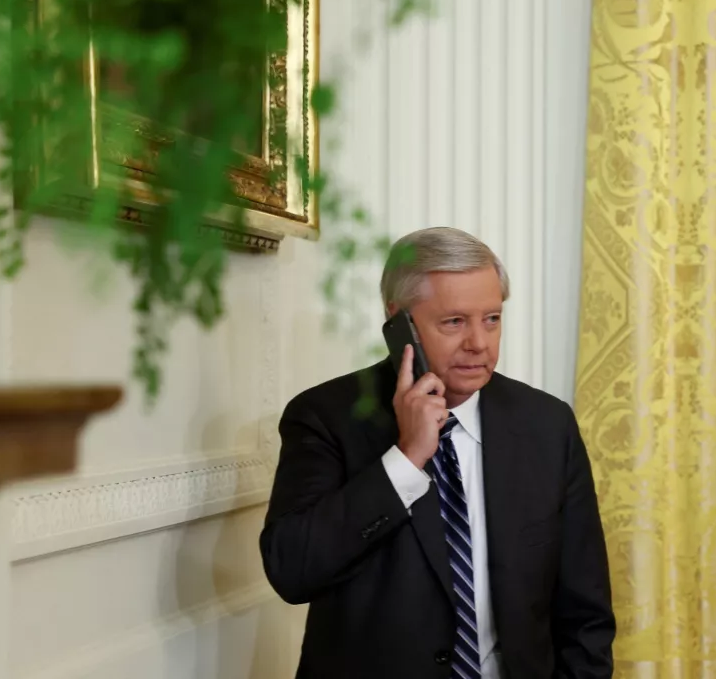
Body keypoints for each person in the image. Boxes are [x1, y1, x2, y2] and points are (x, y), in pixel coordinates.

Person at [260, 227, 614, 679]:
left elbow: (586, 614)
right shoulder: (325, 417)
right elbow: (292, 572)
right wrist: (405, 459)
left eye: (491, 318)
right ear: (397, 320)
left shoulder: (547, 424)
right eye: (454, 322)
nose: (479, 344)